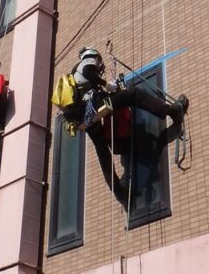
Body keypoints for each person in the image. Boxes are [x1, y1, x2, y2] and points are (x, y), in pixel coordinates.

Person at [67, 47, 188, 200]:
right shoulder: (87, 61)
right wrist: (107, 84)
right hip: (94, 107)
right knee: (135, 94)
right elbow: (88, 73)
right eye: (99, 61)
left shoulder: (73, 74)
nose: (99, 65)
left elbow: (88, 87)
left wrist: (106, 89)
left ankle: (119, 192)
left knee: (102, 151)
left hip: (84, 118)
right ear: (94, 56)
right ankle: (173, 112)